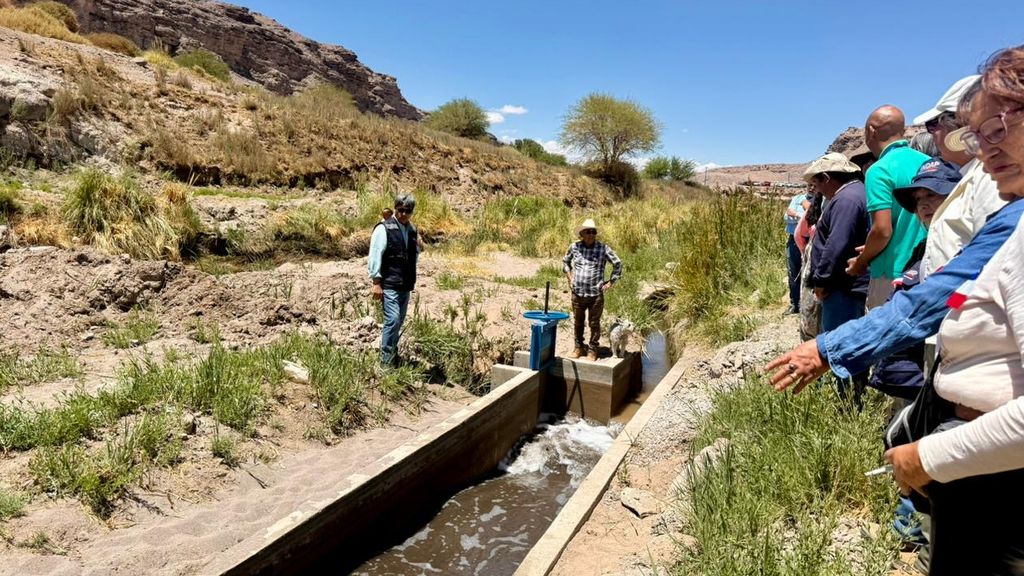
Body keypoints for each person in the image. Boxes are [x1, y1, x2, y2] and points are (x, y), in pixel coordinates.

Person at [767, 45, 1024, 574]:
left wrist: (928, 457)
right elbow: (954, 288)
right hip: (979, 448)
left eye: (996, 130)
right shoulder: (1009, 212)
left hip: (994, 464)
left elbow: (924, 284)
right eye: (977, 136)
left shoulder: (878, 181)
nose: (984, 150)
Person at [918, 77, 1008, 280]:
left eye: (933, 125)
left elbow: (988, 265)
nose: (931, 134)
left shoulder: (991, 179)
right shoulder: (974, 176)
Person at [846, 106, 930, 308]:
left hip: (891, 271)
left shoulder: (880, 170)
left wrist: (861, 261)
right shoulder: (929, 162)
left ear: (871, 131)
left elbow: (882, 230)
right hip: (927, 266)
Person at [804, 153, 869, 401]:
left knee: (838, 342)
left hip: (842, 287)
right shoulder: (852, 195)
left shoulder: (846, 200)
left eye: (818, 183)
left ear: (828, 178)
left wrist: (822, 281)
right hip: (844, 285)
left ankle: (845, 399)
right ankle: (848, 394)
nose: (818, 190)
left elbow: (836, 245)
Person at [368, 194, 419, 366]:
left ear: (412, 212)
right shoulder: (384, 228)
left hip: (405, 284)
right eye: (400, 210)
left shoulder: (412, 230)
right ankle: (385, 362)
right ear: (395, 208)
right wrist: (376, 282)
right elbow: (375, 253)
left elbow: (414, 256)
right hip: (389, 283)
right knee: (393, 320)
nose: (404, 214)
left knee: (399, 321)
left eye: (407, 211)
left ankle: (393, 357)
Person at [562, 218, 622, 360]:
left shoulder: (603, 248)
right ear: (581, 233)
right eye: (588, 232)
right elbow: (565, 261)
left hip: (595, 294)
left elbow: (618, 263)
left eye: (593, 232)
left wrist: (610, 282)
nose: (591, 235)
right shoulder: (575, 247)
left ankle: (593, 349)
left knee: (594, 323)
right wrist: (570, 278)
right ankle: (578, 347)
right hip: (578, 293)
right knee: (578, 321)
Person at [784, 191, 810, 314]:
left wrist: (796, 214)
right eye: (809, 184)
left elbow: (813, 218)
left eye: (814, 185)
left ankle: (806, 305)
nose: (811, 187)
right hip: (793, 240)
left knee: (808, 272)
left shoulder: (819, 199)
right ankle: (795, 303)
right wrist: (803, 216)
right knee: (793, 272)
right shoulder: (798, 198)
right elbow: (786, 217)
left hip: (809, 241)